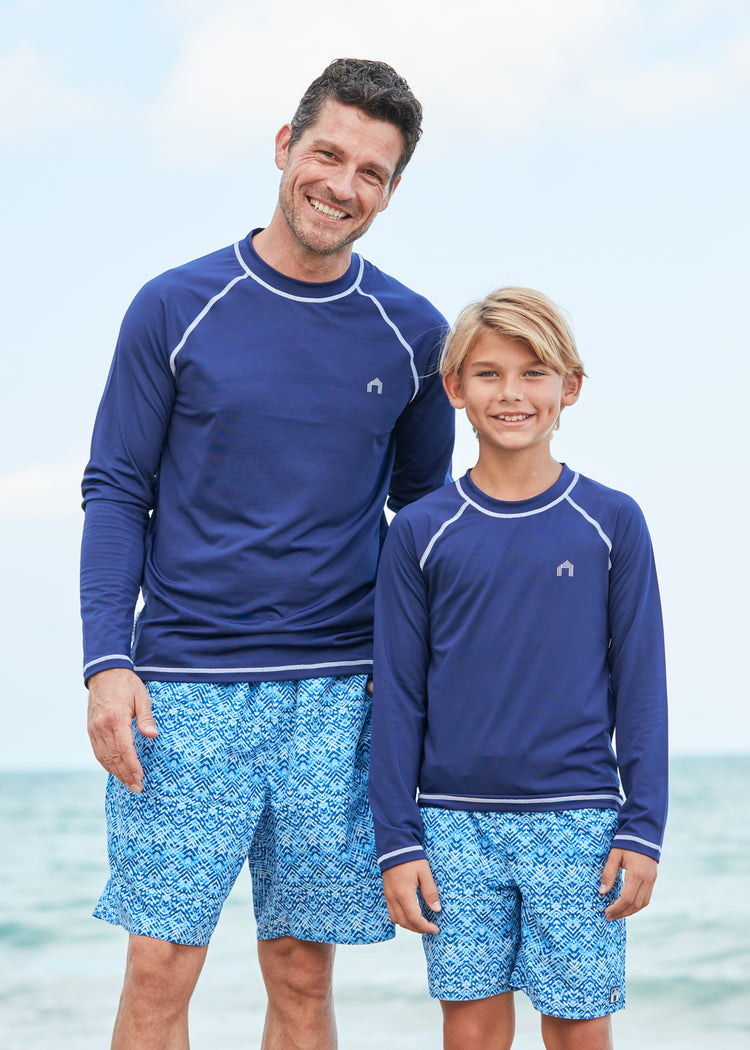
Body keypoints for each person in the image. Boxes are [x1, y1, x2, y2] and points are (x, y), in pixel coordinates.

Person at [80, 58, 454, 1050]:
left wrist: (411, 677)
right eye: (328, 153)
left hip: (339, 694)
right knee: (160, 962)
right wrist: (106, 661)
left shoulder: (413, 336)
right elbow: (118, 486)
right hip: (184, 686)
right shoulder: (174, 307)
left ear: (392, 190)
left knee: (299, 969)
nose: (343, 184)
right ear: (286, 148)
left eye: (372, 171)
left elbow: (421, 521)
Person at [368, 287, 668, 1050]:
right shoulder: (422, 532)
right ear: (456, 389)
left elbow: (640, 685)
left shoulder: (612, 521)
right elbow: (399, 696)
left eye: (535, 373)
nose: (512, 393)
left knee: (577, 1030)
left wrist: (644, 826)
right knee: (470, 1032)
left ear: (569, 388)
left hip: (578, 821)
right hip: (451, 824)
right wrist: (398, 839)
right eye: (489, 373)